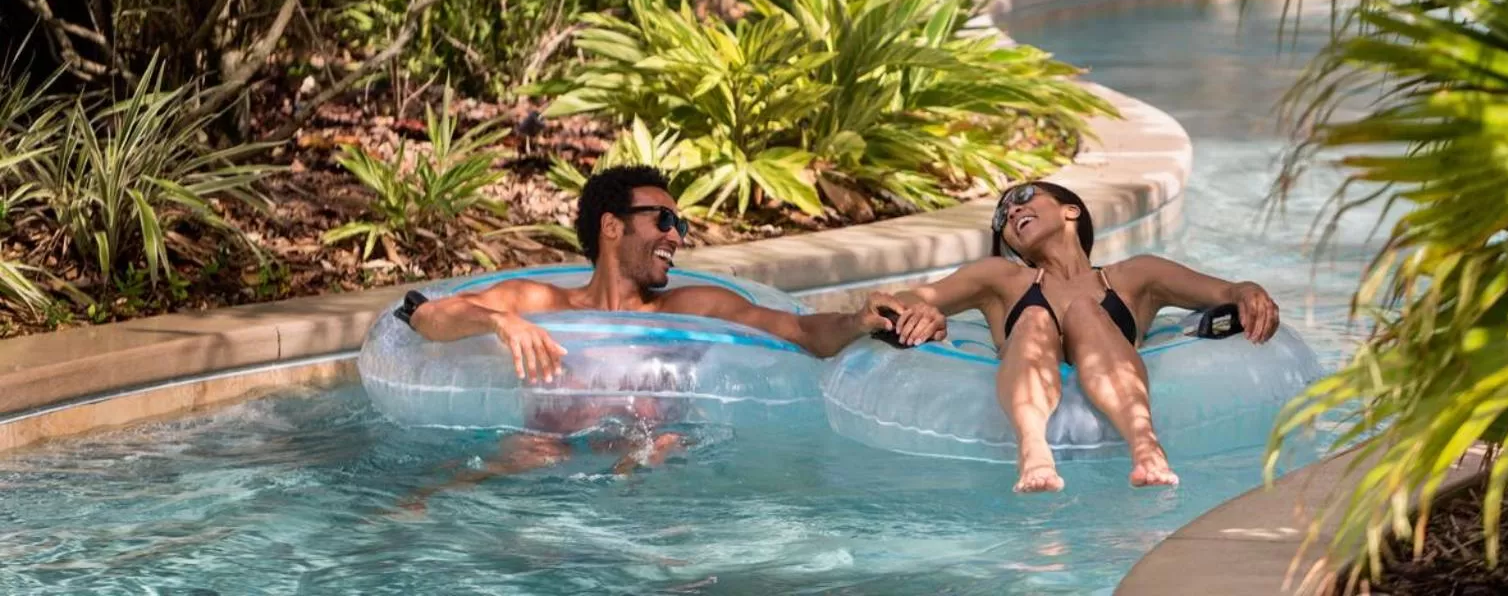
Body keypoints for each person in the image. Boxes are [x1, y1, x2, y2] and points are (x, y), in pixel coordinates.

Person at [396, 164, 935, 505]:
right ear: (613, 226)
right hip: (545, 458)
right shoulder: (541, 304)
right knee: (422, 502)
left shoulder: (692, 308)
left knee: (663, 451)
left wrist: (859, 319)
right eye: (664, 221)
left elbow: (797, 331)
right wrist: (499, 321)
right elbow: (425, 316)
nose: (677, 236)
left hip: (653, 467)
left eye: (681, 225)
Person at [885, 179, 1281, 493]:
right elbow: (908, 299)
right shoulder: (1001, 279)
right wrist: (921, 310)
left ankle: (1145, 445)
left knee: (1085, 312)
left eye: (1023, 197)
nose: (1013, 210)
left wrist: (1248, 293)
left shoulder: (1135, 276)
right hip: (1029, 361)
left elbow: (1227, 292)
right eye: (1003, 216)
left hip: (1108, 357)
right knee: (1035, 316)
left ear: (1070, 210)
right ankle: (1033, 448)